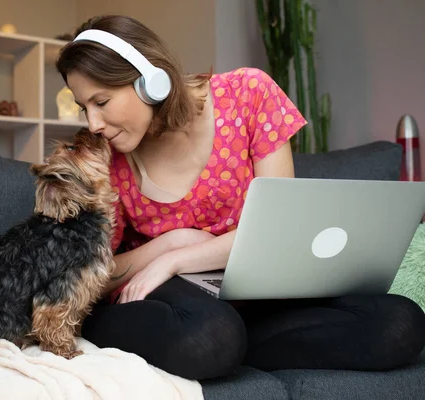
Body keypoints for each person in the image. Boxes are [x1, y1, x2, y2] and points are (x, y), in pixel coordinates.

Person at [55, 15, 425, 381]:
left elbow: (282, 226)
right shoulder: (105, 161)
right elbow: (88, 276)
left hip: (264, 301)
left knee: (400, 322)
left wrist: (181, 256)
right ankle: (219, 346)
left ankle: (231, 351)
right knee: (208, 333)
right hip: (180, 305)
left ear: (150, 81)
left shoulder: (248, 94)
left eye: (101, 101)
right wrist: (167, 246)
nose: (93, 123)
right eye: (84, 107)